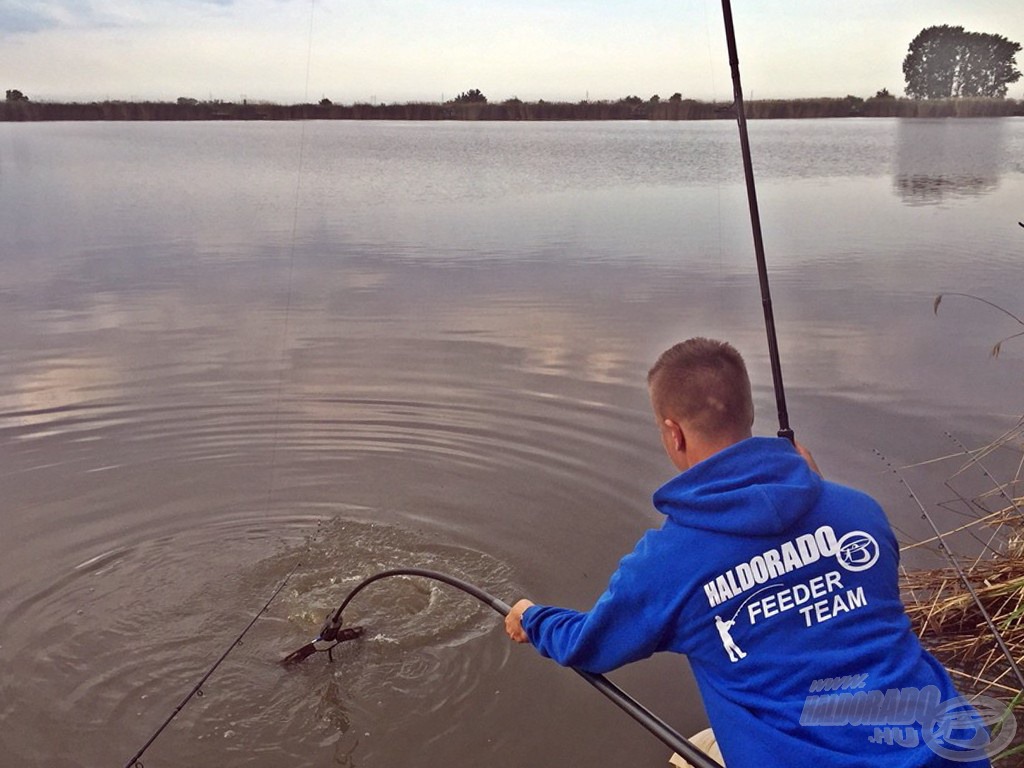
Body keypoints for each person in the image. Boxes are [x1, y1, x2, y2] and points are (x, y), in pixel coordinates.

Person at [505, 338, 992, 767]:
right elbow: (838, 605)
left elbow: (587, 645)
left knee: (689, 751)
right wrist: (815, 493)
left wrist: (532, 618)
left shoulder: (666, 564)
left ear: (673, 433)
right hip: (952, 752)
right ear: (749, 415)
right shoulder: (859, 512)